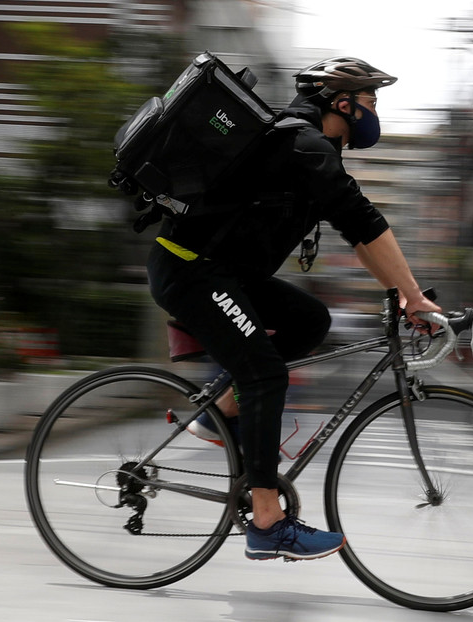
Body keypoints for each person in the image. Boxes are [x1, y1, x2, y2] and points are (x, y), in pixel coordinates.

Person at [145, 57, 441, 562]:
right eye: (371, 100)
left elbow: (358, 234)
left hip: (225, 273)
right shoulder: (302, 144)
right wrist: (412, 295)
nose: (375, 111)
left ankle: (221, 414)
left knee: (310, 321)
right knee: (264, 374)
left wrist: (402, 293)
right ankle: (267, 522)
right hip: (191, 270)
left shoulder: (311, 149)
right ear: (342, 103)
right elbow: (366, 221)